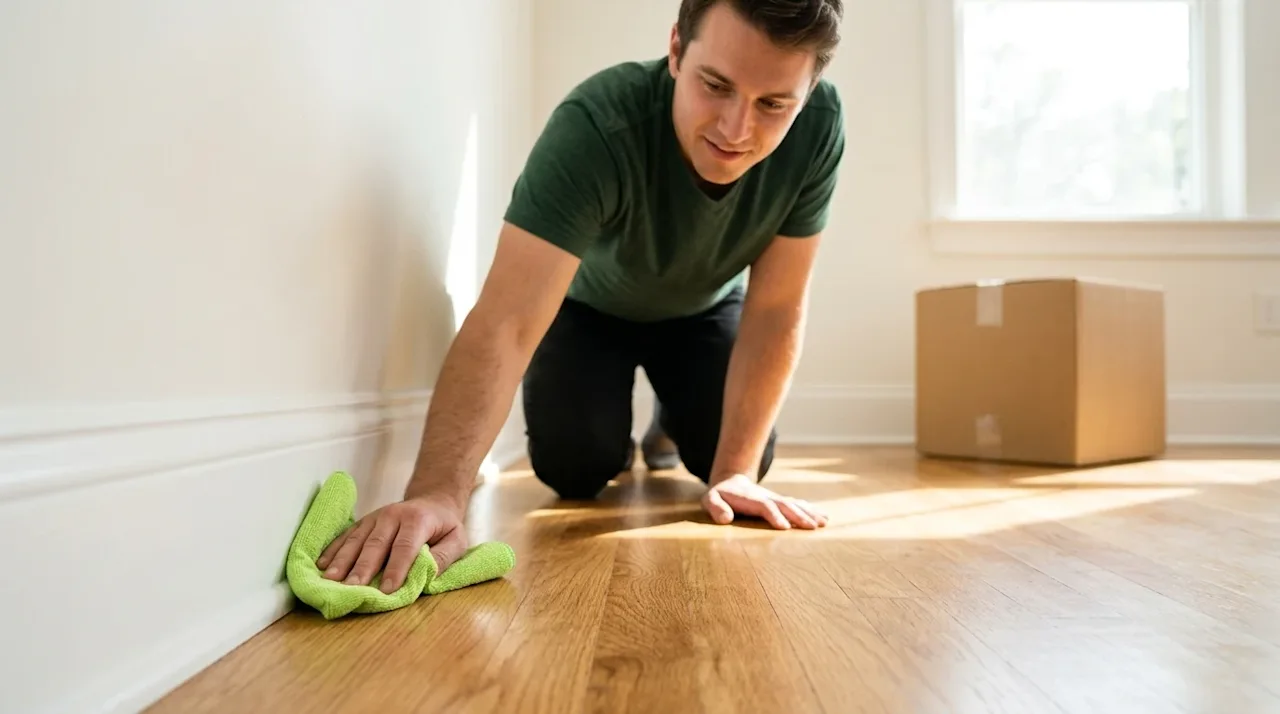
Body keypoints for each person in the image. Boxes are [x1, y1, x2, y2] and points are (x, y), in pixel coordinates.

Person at [318, 0, 846, 594]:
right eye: (715, 85)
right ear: (676, 49)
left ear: (809, 90)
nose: (735, 129)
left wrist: (735, 472)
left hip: (702, 310)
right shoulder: (596, 124)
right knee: (575, 468)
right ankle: (619, 429)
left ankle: (669, 423)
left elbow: (776, 307)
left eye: (773, 104)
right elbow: (509, 320)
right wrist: (437, 494)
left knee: (740, 465)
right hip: (591, 309)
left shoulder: (821, 127)